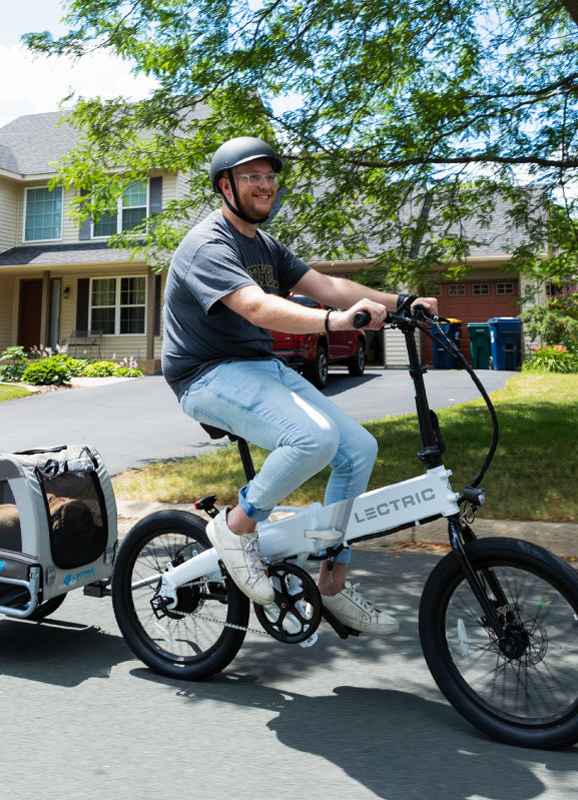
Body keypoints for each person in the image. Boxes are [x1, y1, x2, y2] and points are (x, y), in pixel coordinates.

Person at [161, 136, 438, 634]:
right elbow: (255, 306)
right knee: (313, 438)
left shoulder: (264, 244)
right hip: (204, 374)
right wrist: (336, 323)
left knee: (358, 448)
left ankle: (331, 582)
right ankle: (236, 527)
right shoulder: (209, 244)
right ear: (225, 186)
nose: (265, 185)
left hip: (255, 366)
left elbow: (329, 287)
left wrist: (400, 302)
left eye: (270, 176)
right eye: (252, 177)